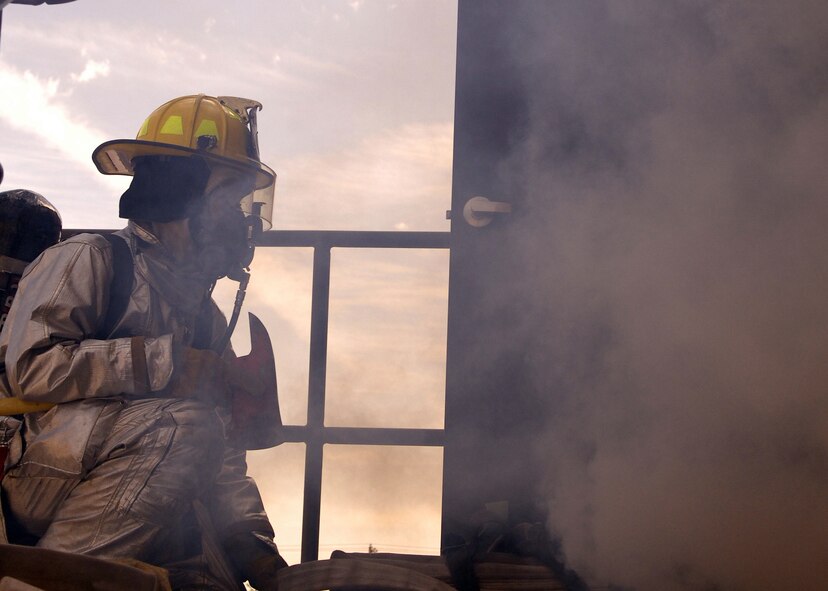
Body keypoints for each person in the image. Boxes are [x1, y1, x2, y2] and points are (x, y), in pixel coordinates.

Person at [0, 94, 288, 590]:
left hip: (132, 483)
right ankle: (41, 582)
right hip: (37, 477)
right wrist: (166, 364)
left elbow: (219, 450)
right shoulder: (91, 259)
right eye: (226, 199)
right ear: (178, 190)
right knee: (181, 423)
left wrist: (253, 549)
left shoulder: (204, 314)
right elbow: (30, 368)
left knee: (205, 567)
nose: (239, 221)